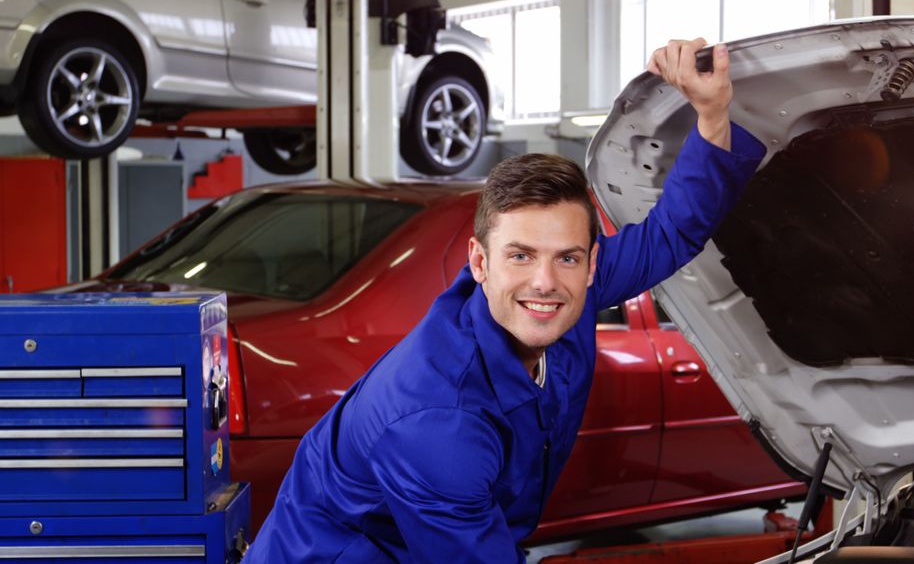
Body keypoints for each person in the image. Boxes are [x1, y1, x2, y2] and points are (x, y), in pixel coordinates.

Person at [244, 37, 766, 563]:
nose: (544, 283)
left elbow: (671, 233)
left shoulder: (569, 290)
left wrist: (711, 111)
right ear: (479, 263)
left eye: (566, 257)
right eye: (519, 255)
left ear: (590, 265)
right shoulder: (436, 421)